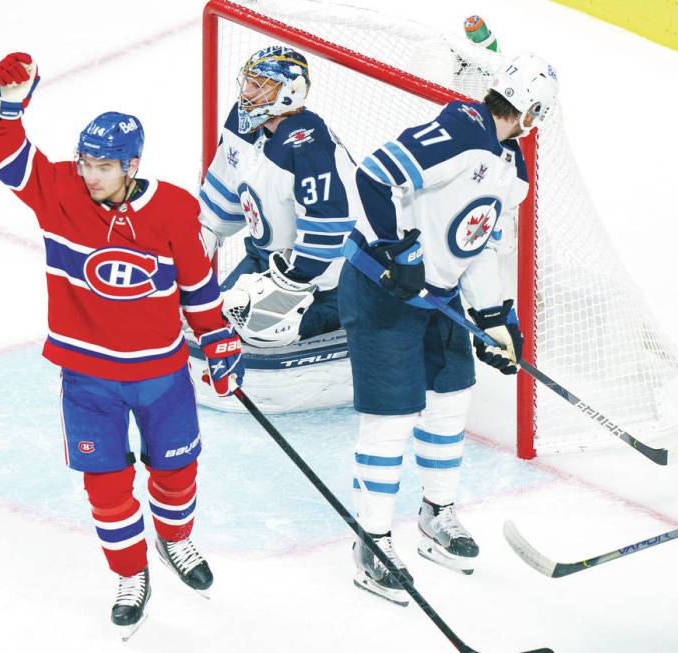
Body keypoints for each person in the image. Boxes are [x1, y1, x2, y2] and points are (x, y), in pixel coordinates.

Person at [0, 52, 245, 639]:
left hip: (161, 374)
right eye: (86, 162)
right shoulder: (58, 192)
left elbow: (198, 288)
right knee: (105, 486)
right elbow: (1, 155)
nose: (90, 174)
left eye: (103, 166)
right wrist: (5, 104)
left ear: (131, 164)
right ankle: (130, 573)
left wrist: (220, 341)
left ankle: (174, 539)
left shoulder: (174, 208)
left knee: (177, 475)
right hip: (87, 376)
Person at [340, 54, 559, 602]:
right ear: (532, 111)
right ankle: (371, 541)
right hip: (382, 293)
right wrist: (398, 249)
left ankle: (436, 515)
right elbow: (372, 175)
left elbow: (477, 243)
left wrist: (494, 318)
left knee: (450, 400)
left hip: (439, 300)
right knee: (391, 420)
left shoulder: (512, 167)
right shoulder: (463, 127)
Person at [198, 45, 362, 348]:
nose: (247, 91)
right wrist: (192, 254)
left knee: (257, 333)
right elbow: (220, 202)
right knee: (212, 318)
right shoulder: (242, 121)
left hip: (325, 279)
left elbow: (330, 225)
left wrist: (289, 284)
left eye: (260, 85)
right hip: (266, 259)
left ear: (289, 92)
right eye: (248, 81)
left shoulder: (307, 142)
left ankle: (353, 316)